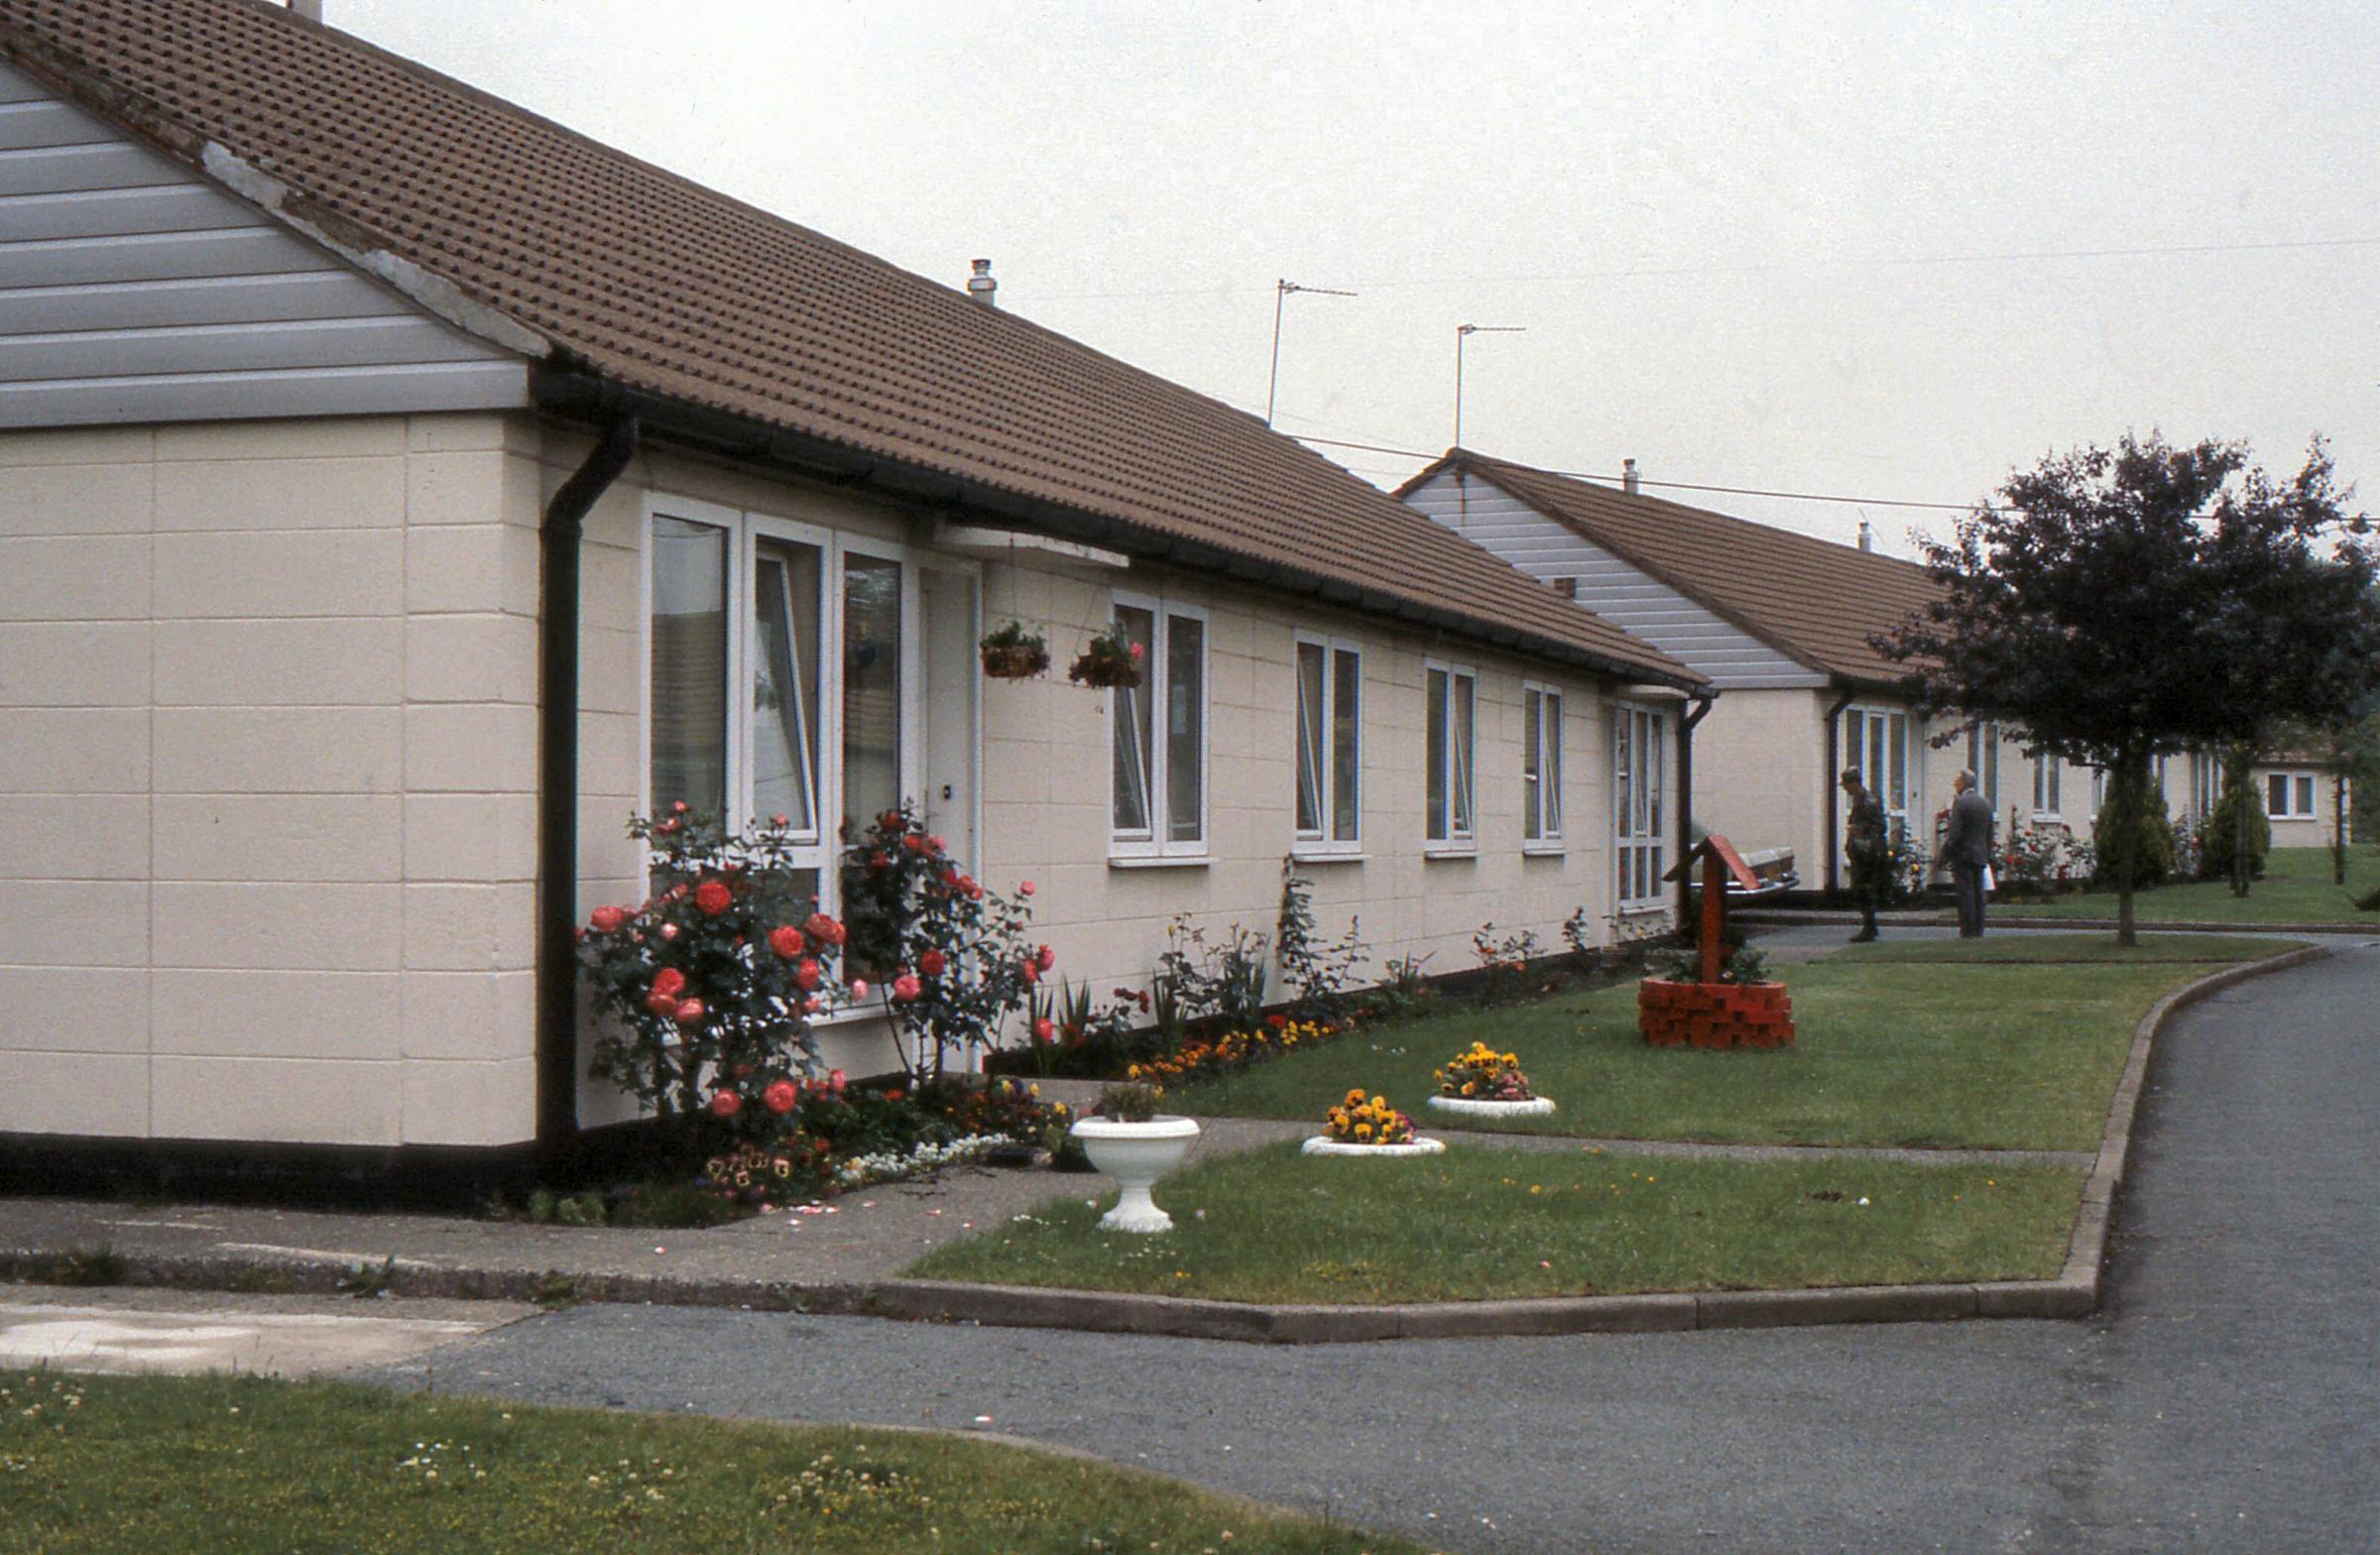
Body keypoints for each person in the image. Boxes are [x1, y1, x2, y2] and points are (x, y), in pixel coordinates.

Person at [1937, 769, 1996, 937]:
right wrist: (1987, 854)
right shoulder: (1986, 803)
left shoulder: (1960, 803)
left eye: (1956, 782)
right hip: (1980, 855)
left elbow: (1955, 834)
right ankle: (1979, 928)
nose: (1955, 785)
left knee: (1965, 894)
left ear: (1963, 783)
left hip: (1963, 855)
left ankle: (1968, 929)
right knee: (1979, 893)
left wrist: (1943, 857)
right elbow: (1989, 833)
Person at [1841, 769, 1891, 942]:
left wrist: (1859, 829)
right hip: (1862, 852)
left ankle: (1869, 928)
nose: (1845, 789)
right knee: (1861, 890)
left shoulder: (1868, 802)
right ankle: (1870, 926)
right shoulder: (1860, 800)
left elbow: (1880, 827)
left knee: (1863, 889)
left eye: (1846, 785)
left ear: (1853, 783)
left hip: (1867, 855)